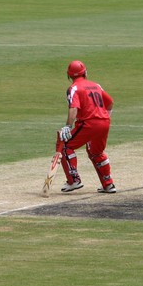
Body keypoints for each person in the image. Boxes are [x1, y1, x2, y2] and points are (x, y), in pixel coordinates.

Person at [56, 61, 116, 193]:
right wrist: (104, 117)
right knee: (97, 152)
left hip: (88, 123)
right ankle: (108, 183)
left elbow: (74, 108)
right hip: (105, 122)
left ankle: (73, 180)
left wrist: (67, 126)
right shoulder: (96, 85)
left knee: (65, 146)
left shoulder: (74, 88)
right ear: (85, 72)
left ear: (69, 75)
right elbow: (110, 103)